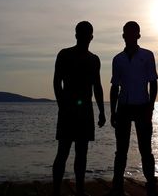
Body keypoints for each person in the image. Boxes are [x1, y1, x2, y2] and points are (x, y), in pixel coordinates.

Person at [53, 21, 106, 196]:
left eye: (86, 34)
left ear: (91, 37)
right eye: (81, 34)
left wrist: (102, 111)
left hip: (84, 110)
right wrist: (62, 104)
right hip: (69, 109)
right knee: (64, 151)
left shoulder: (94, 59)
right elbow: (57, 82)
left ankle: (80, 190)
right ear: (76, 35)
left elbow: (97, 86)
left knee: (80, 152)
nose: (84, 37)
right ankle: (57, 190)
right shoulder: (65, 55)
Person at [108, 21, 158, 196]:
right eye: (126, 33)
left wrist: (151, 107)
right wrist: (112, 111)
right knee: (121, 150)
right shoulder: (118, 59)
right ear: (123, 35)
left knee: (146, 149)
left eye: (133, 33)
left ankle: (151, 186)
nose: (129, 36)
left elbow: (153, 82)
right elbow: (115, 86)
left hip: (142, 107)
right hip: (123, 107)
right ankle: (117, 188)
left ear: (138, 35)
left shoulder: (147, 55)